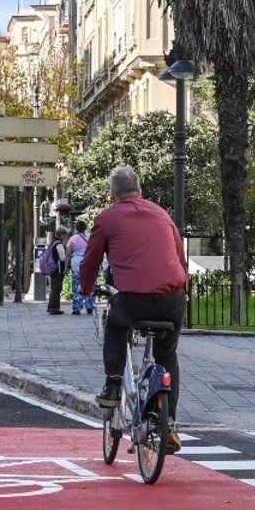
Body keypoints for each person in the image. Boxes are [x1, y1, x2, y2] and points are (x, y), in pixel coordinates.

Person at [79, 167, 187, 446]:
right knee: (168, 356)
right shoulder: (162, 214)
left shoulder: (106, 218)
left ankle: (113, 383)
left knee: (116, 323)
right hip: (173, 301)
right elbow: (179, 256)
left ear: (111, 194)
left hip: (133, 301)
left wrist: (86, 289)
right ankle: (169, 424)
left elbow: (90, 262)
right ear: (140, 191)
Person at [66, 220, 94, 315]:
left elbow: (68, 254)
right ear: (85, 228)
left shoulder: (72, 239)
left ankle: (77, 308)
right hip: (89, 262)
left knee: (76, 285)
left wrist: (66, 267)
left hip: (77, 263)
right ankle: (90, 306)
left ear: (76, 228)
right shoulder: (91, 237)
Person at [38, 234, 67, 315]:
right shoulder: (59, 245)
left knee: (53, 288)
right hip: (58, 270)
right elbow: (63, 258)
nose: (65, 237)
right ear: (61, 235)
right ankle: (55, 308)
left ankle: (51, 307)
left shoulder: (52, 244)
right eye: (64, 235)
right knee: (57, 289)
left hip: (52, 269)